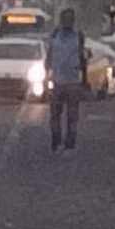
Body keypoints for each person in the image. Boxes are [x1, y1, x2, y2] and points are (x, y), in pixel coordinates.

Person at [44, 8, 87, 155]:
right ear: (62, 20)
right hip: (57, 81)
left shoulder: (79, 35)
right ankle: (56, 141)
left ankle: (70, 144)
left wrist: (84, 78)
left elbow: (82, 57)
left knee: (72, 115)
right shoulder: (55, 34)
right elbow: (49, 56)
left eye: (71, 18)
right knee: (55, 115)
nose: (69, 21)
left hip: (73, 81)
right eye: (66, 18)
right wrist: (46, 77)